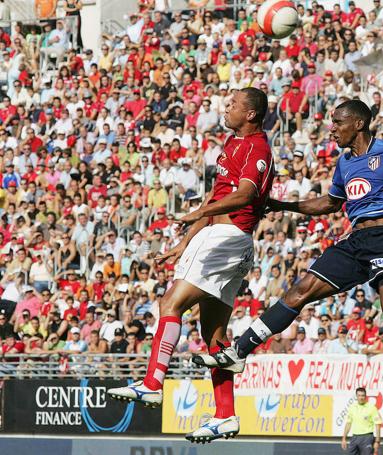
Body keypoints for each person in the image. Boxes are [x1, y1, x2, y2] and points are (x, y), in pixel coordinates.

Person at [192, 99, 383, 440]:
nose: (332, 127)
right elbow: (328, 203)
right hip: (354, 243)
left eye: (338, 122)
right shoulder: (345, 163)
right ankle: (239, 351)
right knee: (300, 291)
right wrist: (282, 205)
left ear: (359, 124)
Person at [107, 87, 274, 442]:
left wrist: (201, 213)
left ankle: (153, 382)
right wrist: (183, 244)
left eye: (233, 105)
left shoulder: (257, 147)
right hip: (227, 240)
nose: (226, 109)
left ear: (251, 115)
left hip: (225, 239)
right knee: (214, 337)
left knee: (170, 304)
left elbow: (244, 195)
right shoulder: (232, 146)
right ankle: (226, 415)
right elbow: (218, 201)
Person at [342, 387, 382, 455]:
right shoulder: (352, 407)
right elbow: (348, 423)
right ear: (356, 396)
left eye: (363, 395)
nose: (361, 397)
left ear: (365, 396)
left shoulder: (371, 407)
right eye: (359, 395)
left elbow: (378, 424)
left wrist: (377, 441)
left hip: (367, 437)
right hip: (354, 437)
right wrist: (344, 438)